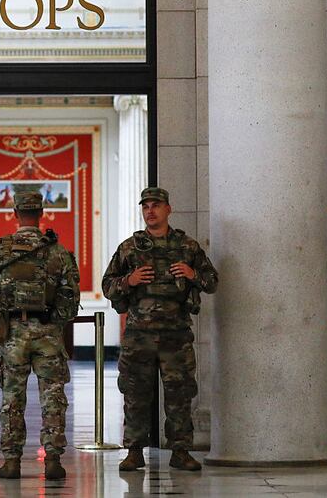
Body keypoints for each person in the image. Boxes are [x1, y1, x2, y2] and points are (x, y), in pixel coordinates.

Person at [102, 187, 218, 472]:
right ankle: (134, 451)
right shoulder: (130, 247)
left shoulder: (187, 247)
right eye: (146, 206)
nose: (150, 211)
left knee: (180, 394)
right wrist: (129, 280)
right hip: (138, 335)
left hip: (175, 335)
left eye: (156, 205)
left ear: (168, 209)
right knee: (135, 394)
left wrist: (193, 274)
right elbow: (107, 285)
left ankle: (180, 450)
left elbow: (212, 281)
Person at [0, 191, 80, 480]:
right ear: (41, 213)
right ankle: (52, 461)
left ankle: (11, 462)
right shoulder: (58, 251)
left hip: (12, 334)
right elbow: (71, 297)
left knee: (12, 398)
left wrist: (4, 316)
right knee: (52, 398)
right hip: (48, 332)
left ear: (15, 213)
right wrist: (53, 322)